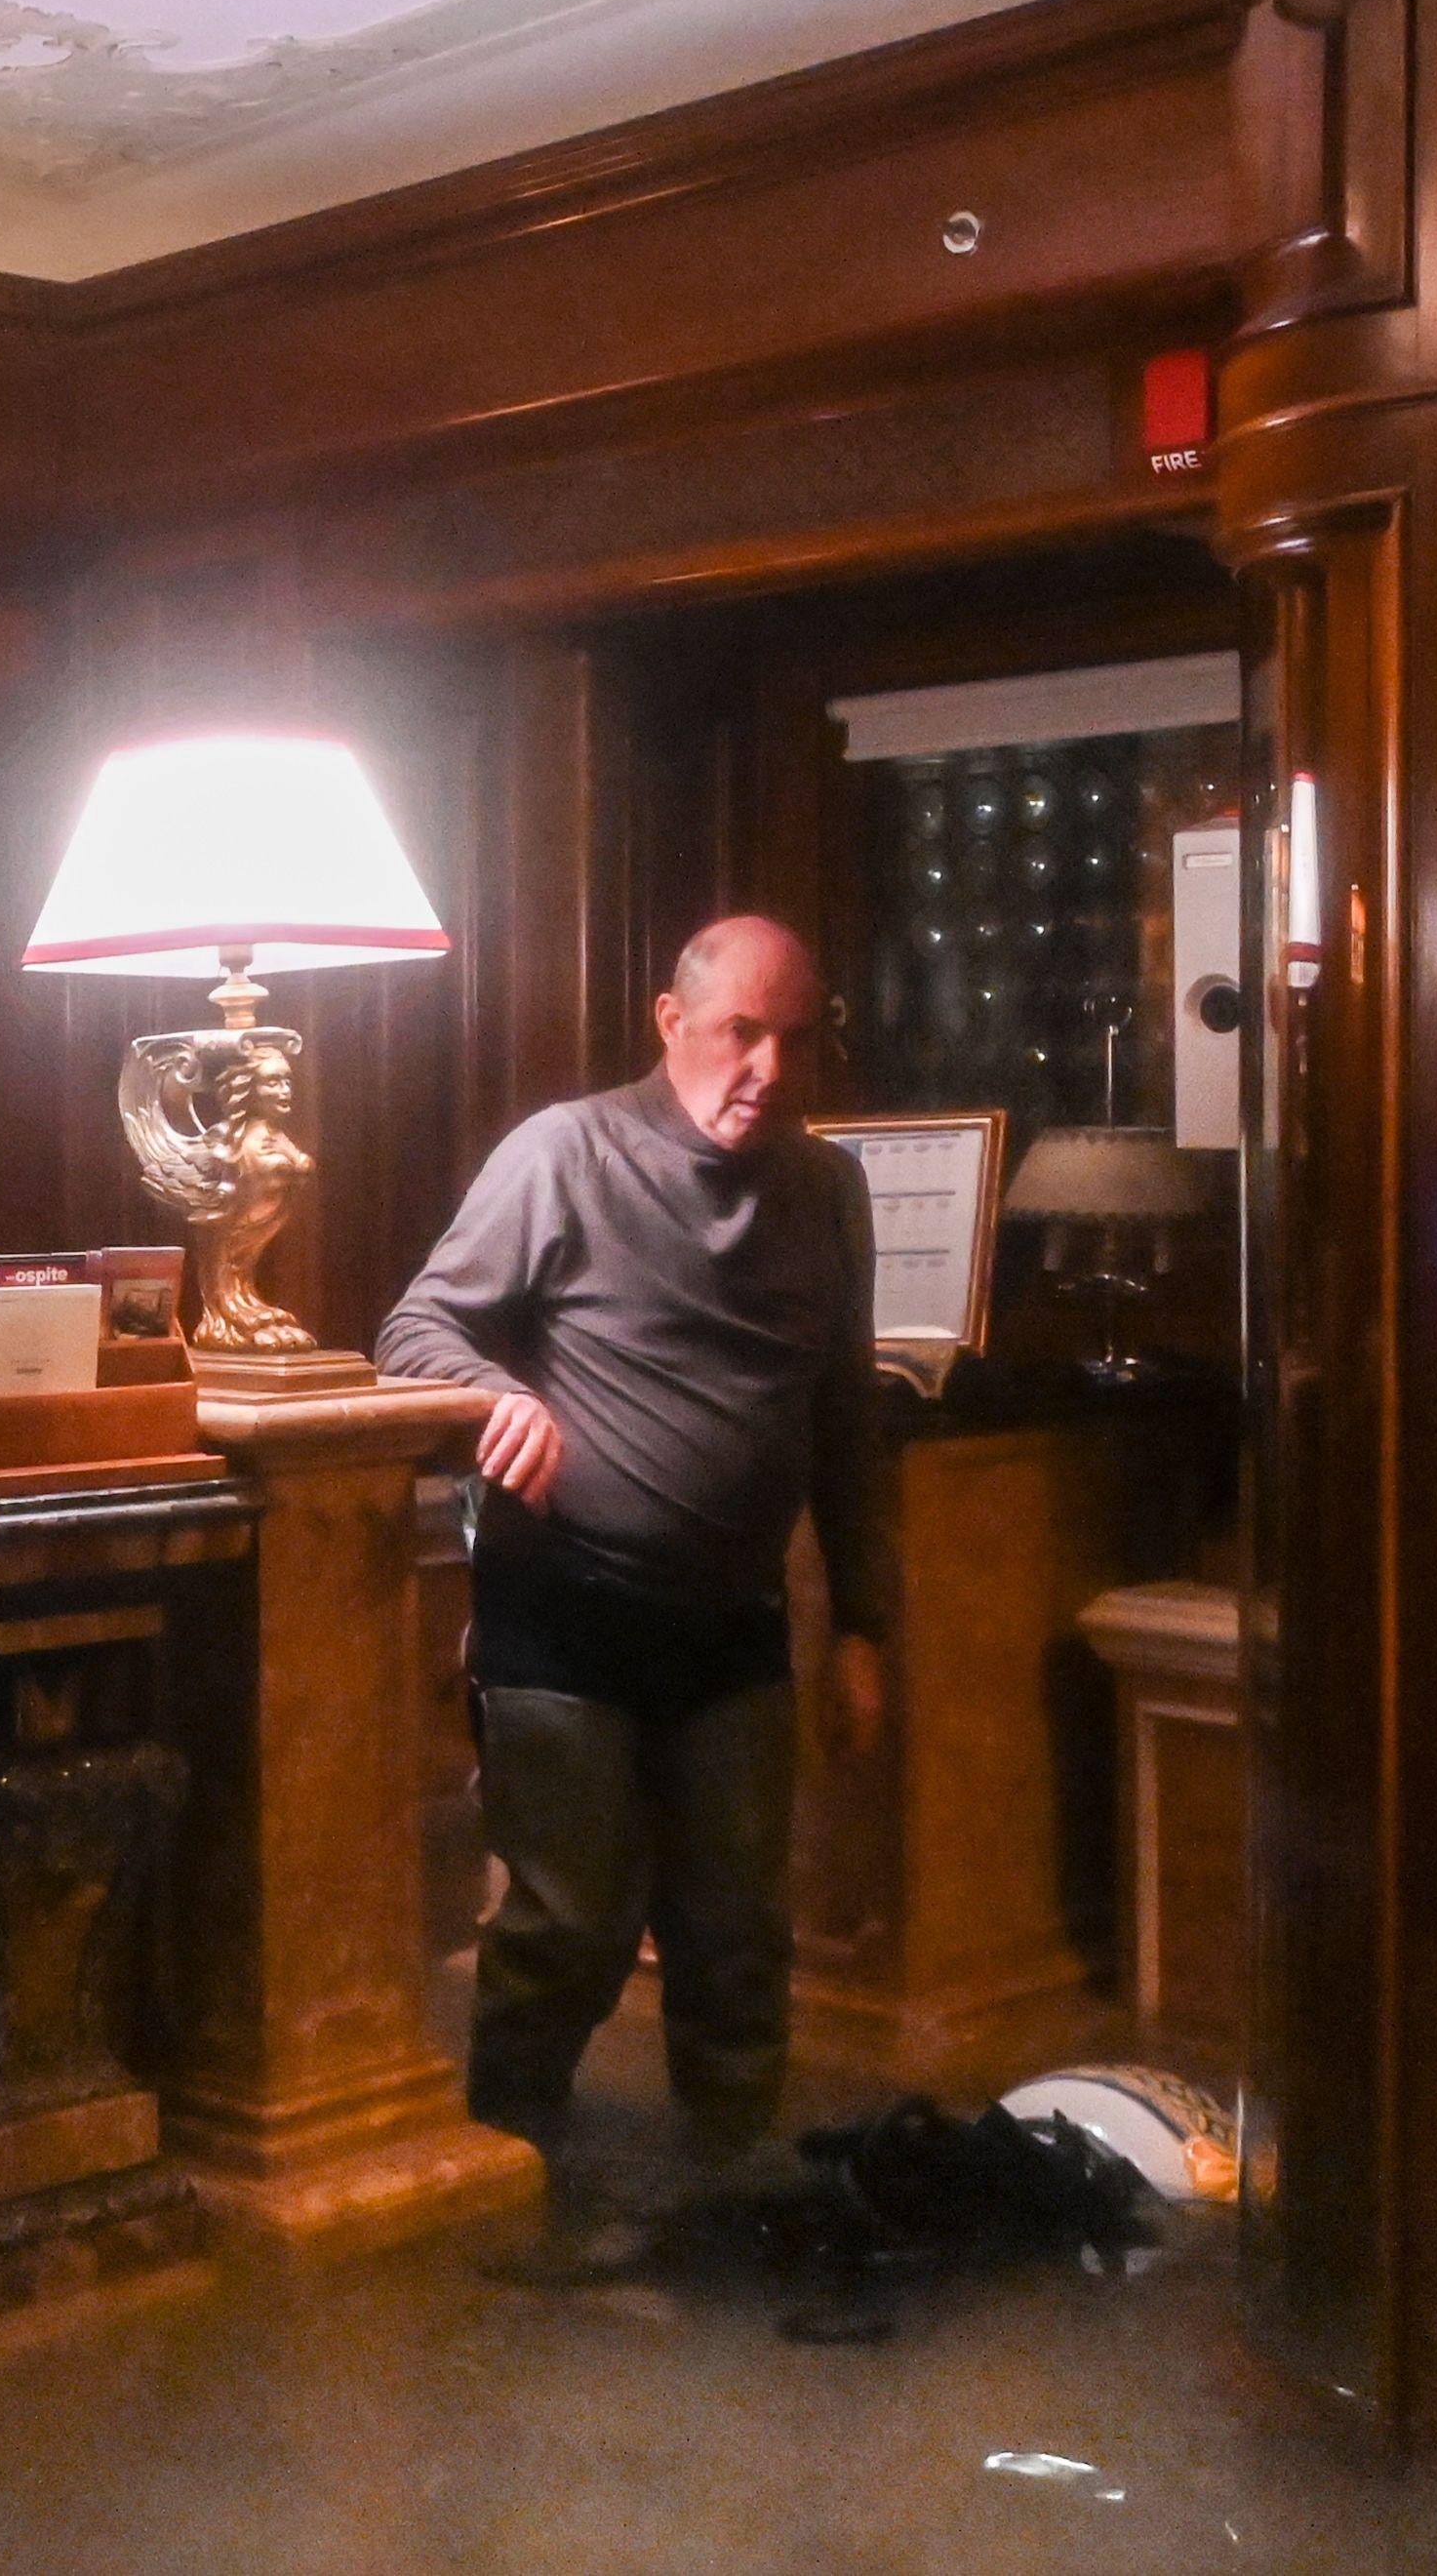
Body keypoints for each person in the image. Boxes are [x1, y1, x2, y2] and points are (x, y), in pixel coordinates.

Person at [376, 913, 886, 2233]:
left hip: (736, 1623)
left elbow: (843, 1421)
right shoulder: (567, 1154)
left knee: (736, 1933)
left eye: (793, 1038)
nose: (767, 1066)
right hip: (564, 1610)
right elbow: (415, 1327)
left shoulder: (828, 1192)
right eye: (739, 1033)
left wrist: (866, 1629)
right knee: (568, 1923)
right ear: (673, 1022)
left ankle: (735, 2189)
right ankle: (509, 2168)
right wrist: (496, 1396)